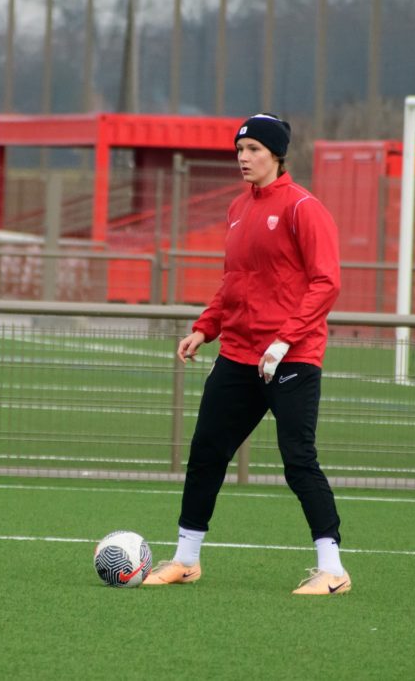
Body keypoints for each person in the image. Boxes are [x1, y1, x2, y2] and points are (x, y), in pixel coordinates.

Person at [144, 113, 350, 595]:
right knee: (206, 452)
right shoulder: (238, 208)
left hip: (292, 357)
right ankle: (186, 560)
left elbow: (326, 283)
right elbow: (234, 283)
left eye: (254, 149)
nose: (244, 157)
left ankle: (333, 569)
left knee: (298, 459)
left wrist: (285, 339)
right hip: (238, 354)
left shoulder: (304, 208)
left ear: (277, 154)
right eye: (240, 149)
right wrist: (205, 328)